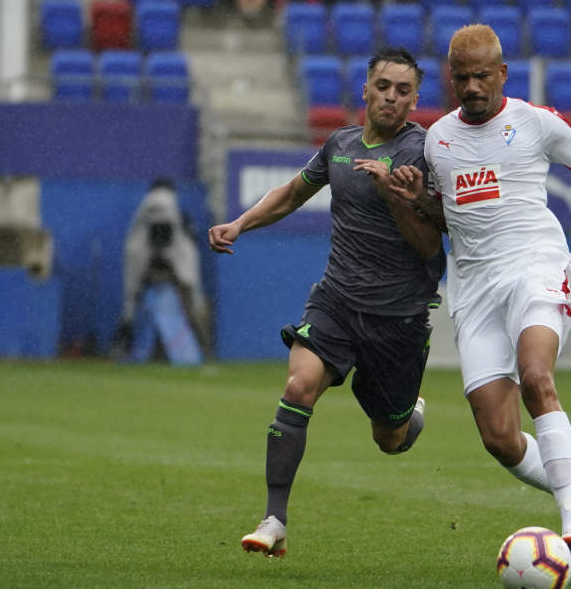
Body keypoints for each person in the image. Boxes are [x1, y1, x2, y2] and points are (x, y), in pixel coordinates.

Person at [382, 24, 571, 573]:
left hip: (536, 266)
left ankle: (570, 526)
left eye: (482, 77)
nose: (472, 87)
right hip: (474, 287)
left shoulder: (535, 123)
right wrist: (415, 201)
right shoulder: (436, 141)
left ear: (502, 74)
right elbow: (449, 221)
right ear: (451, 79)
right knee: (498, 437)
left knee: (537, 376)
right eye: (462, 78)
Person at [207, 47, 445, 558]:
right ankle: (274, 520)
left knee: (390, 437)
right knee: (298, 385)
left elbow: (430, 246)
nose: (391, 97)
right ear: (366, 89)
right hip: (336, 300)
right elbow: (293, 193)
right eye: (383, 86)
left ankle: (411, 418)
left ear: (415, 100)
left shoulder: (424, 154)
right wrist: (240, 223)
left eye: (403, 91)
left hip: (398, 316)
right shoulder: (339, 144)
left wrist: (394, 196)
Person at [117, 177, 209, 364]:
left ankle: (126, 343)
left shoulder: (147, 208)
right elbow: (162, 231)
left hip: (151, 263)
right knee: (190, 302)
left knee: (132, 305)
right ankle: (201, 345)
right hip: (158, 262)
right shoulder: (163, 199)